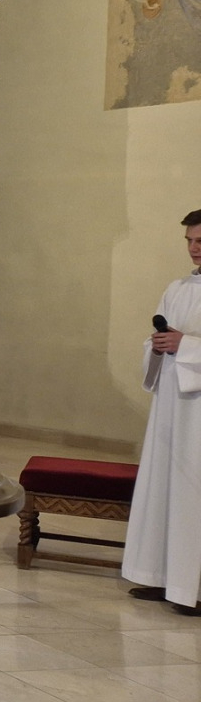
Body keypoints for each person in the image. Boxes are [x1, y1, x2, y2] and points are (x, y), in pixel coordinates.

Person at [122, 210, 201, 617]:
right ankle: (163, 575)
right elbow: (159, 340)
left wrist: (185, 345)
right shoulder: (177, 288)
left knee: (193, 494)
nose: (193, 249)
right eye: (189, 241)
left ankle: (195, 587)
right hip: (171, 405)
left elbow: (185, 343)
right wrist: (157, 346)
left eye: (200, 241)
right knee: (166, 488)